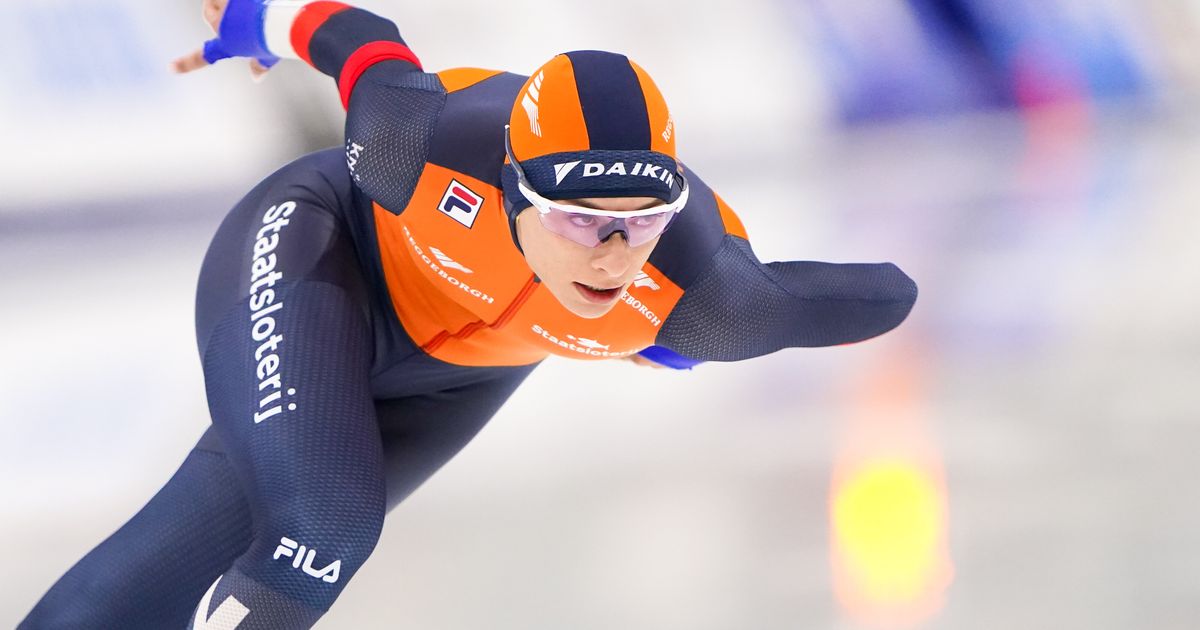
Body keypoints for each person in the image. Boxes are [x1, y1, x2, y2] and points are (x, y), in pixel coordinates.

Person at [20, 1, 918, 627]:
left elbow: (877, 295)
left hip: (459, 375)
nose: (611, 253)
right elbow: (359, 40)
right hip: (320, 255)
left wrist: (679, 344)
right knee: (323, 526)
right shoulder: (418, 147)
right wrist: (248, 19)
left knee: (184, 548)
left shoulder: (702, 299)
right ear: (511, 189)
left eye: (640, 222)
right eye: (578, 219)